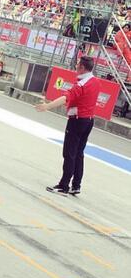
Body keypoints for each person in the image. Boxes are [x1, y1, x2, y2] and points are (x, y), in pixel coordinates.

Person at [36, 56, 100, 196]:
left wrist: (47, 106)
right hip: (88, 120)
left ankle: (63, 185)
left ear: (82, 67)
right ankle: (76, 185)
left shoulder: (81, 85)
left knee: (69, 153)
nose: (76, 66)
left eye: (77, 64)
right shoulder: (95, 82)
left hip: (77, 121)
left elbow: (66, 97)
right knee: (79, 153)